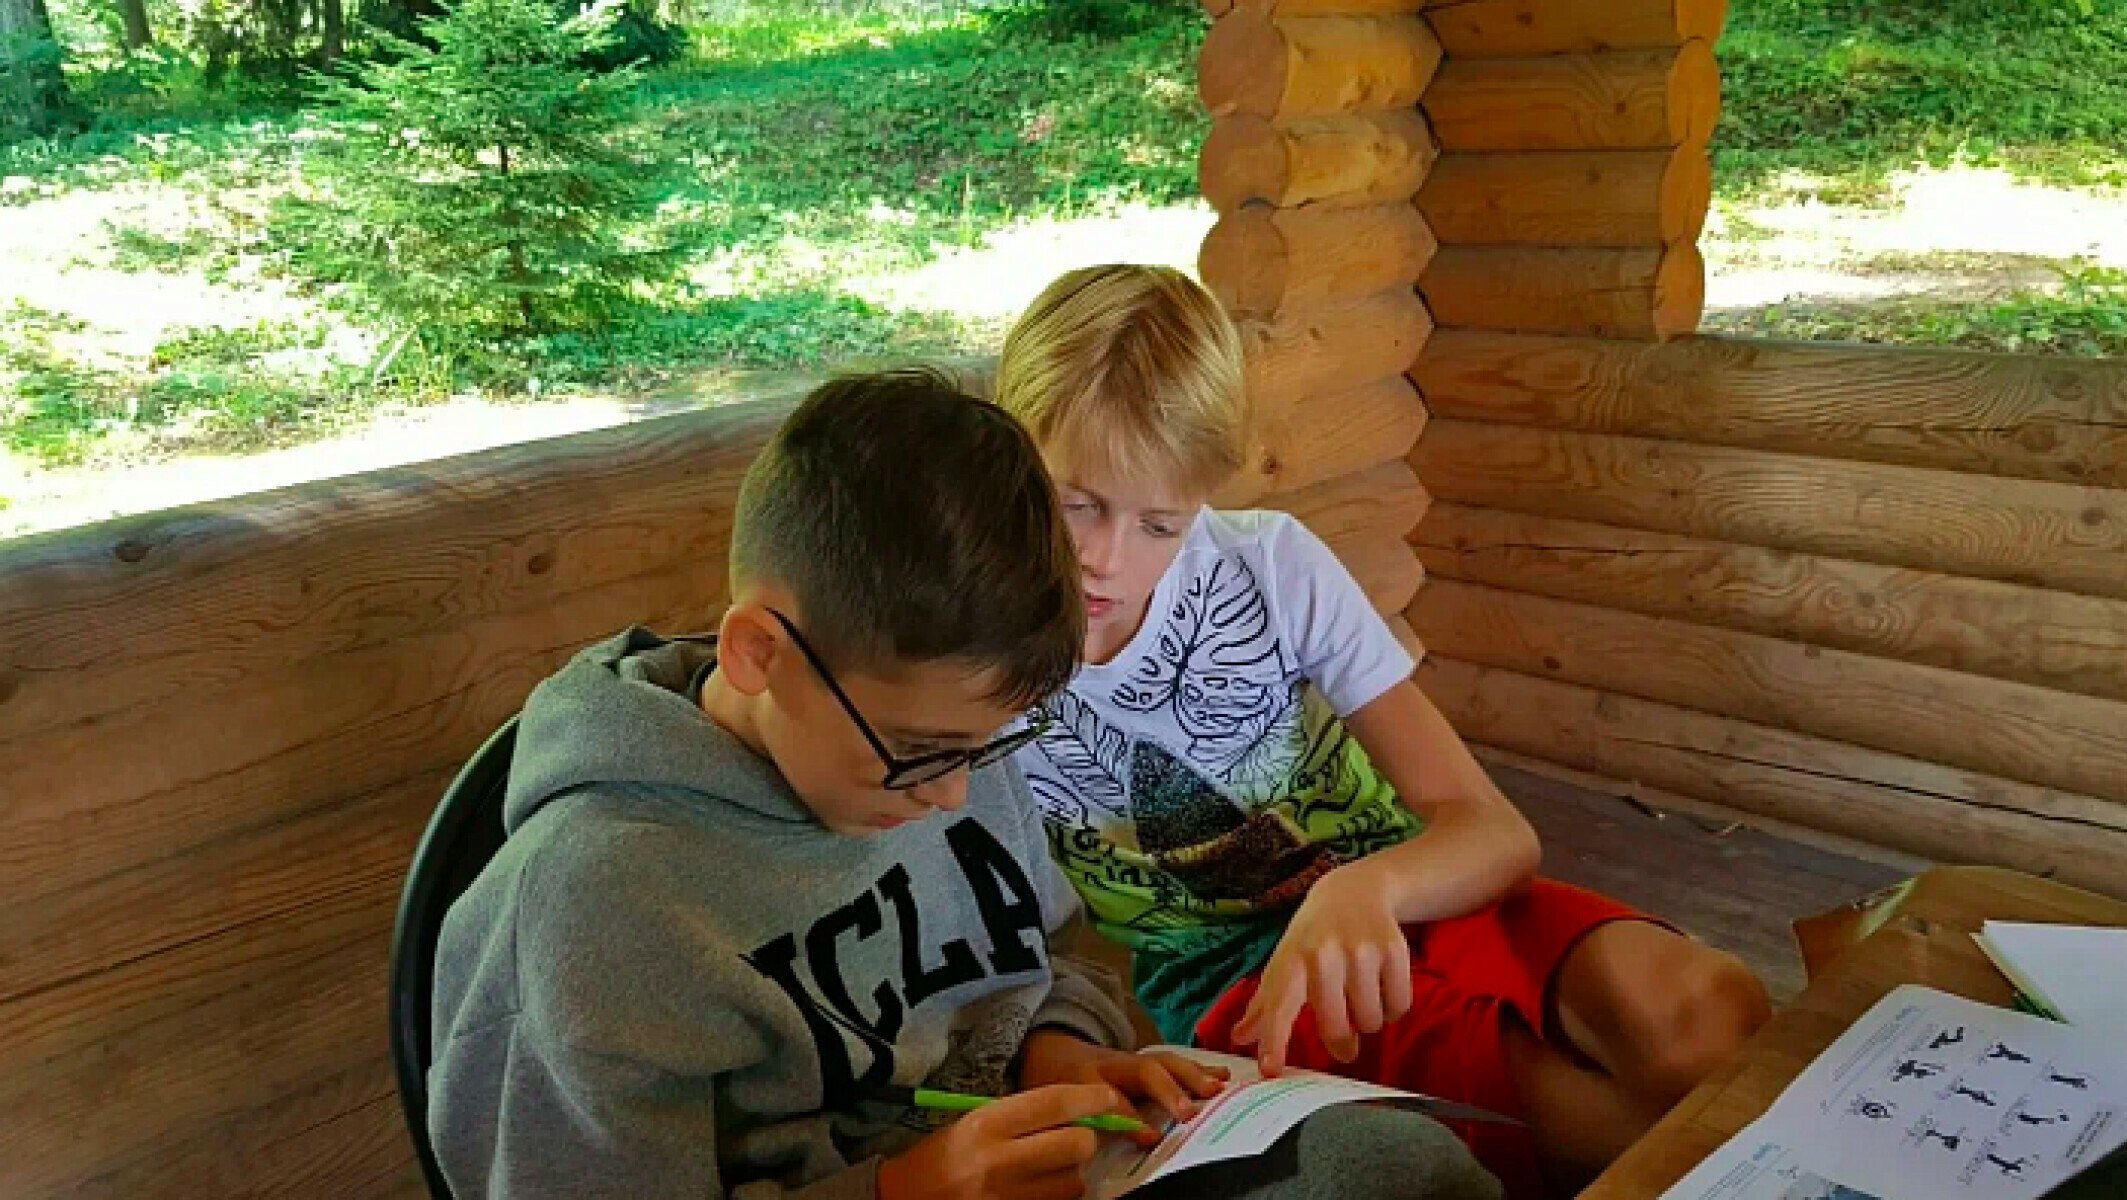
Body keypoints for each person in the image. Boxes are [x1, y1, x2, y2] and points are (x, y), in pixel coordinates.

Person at [426, 368, 1500, 1200]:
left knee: (1405, 1169)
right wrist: (902, 1190)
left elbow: (1027, 962)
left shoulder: (950, 743)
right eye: (921, 752)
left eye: (985, 750)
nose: (952, 799)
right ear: (758, 654)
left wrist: (1058, 1051)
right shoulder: (593, 908)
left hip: (1029, 1160)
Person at [995, 267, 1773, 1196]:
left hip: (1410, 891)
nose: (1104, 558)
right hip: (1244, 976)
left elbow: (1493, 831)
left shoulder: (1266, 565)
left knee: (1708, 1016)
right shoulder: (970, 642)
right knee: (1589, 1121)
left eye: (1160, 523)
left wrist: (1364, 889)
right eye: (1073, 503)